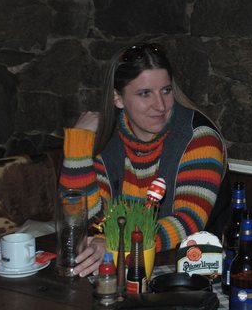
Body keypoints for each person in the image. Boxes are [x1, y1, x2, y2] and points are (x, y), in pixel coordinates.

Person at [59, 43, 230, 277]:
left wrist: (115, 242)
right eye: (144, 93)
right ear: (118, 98)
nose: (160, 105)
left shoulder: (198, 138)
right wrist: (77, 146)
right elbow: (85, 218)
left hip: (195, 273)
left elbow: (187, 222)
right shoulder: (107, 140)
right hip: (124, 271)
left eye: (166, 91)